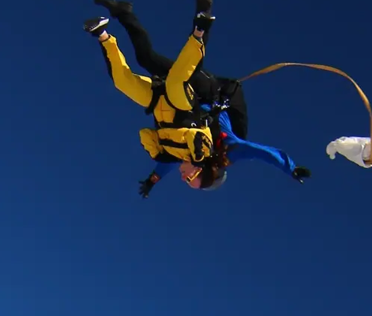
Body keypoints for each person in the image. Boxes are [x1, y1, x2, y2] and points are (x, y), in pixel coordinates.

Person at [85, 0, 310, 196]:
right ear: (201, 171)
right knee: (179, 79)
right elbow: (263, 153)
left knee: (144, 60)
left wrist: (153, 181)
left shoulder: (184, 154)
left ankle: (117, 18)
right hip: (207, 92)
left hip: (173, 101)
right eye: (190, 180)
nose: (183, 178)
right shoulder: (228, 149)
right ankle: (202, 25)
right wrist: (291, 168)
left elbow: (167, 162)